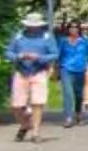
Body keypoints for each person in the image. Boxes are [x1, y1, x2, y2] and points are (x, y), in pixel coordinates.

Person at [8, 14, 55, 143]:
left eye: (35, 26)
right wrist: (19, 56)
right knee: (16, 105)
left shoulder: (47, 37)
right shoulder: (18, 36)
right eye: (29, 26)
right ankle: (25, 125)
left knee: (37, 104)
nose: (32, 28)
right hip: (21, 72)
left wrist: (39, 57)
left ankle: (35, 133)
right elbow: (9, 52)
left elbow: (54, 54)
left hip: (39, 71)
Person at [56, 21, 88, 126]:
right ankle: (68, 118)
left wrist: (87, 59)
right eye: (71, 27)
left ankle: (79, 114)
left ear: (79, 29)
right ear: (68, 29)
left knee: (78, 94)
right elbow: (58, 54)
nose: (73, 29)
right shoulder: (63, 41)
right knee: (68, 93)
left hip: (80, 69)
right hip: (66, 69)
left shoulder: (84, 41)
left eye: (76, 27)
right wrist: (56, 67)